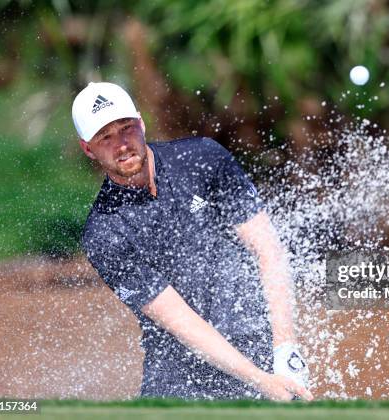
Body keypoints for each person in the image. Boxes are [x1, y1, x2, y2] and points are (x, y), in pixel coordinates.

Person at [72, 82, 312, 401]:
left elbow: (268, 249)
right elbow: (180, 320)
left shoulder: (202, 159)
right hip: (179, 372)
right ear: (88, 148)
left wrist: (286, 349)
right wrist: (259, 380)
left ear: (141, 124)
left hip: (256, 344)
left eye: (126, 128)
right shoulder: (105, 233)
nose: (122, 144)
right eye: (105, 137)